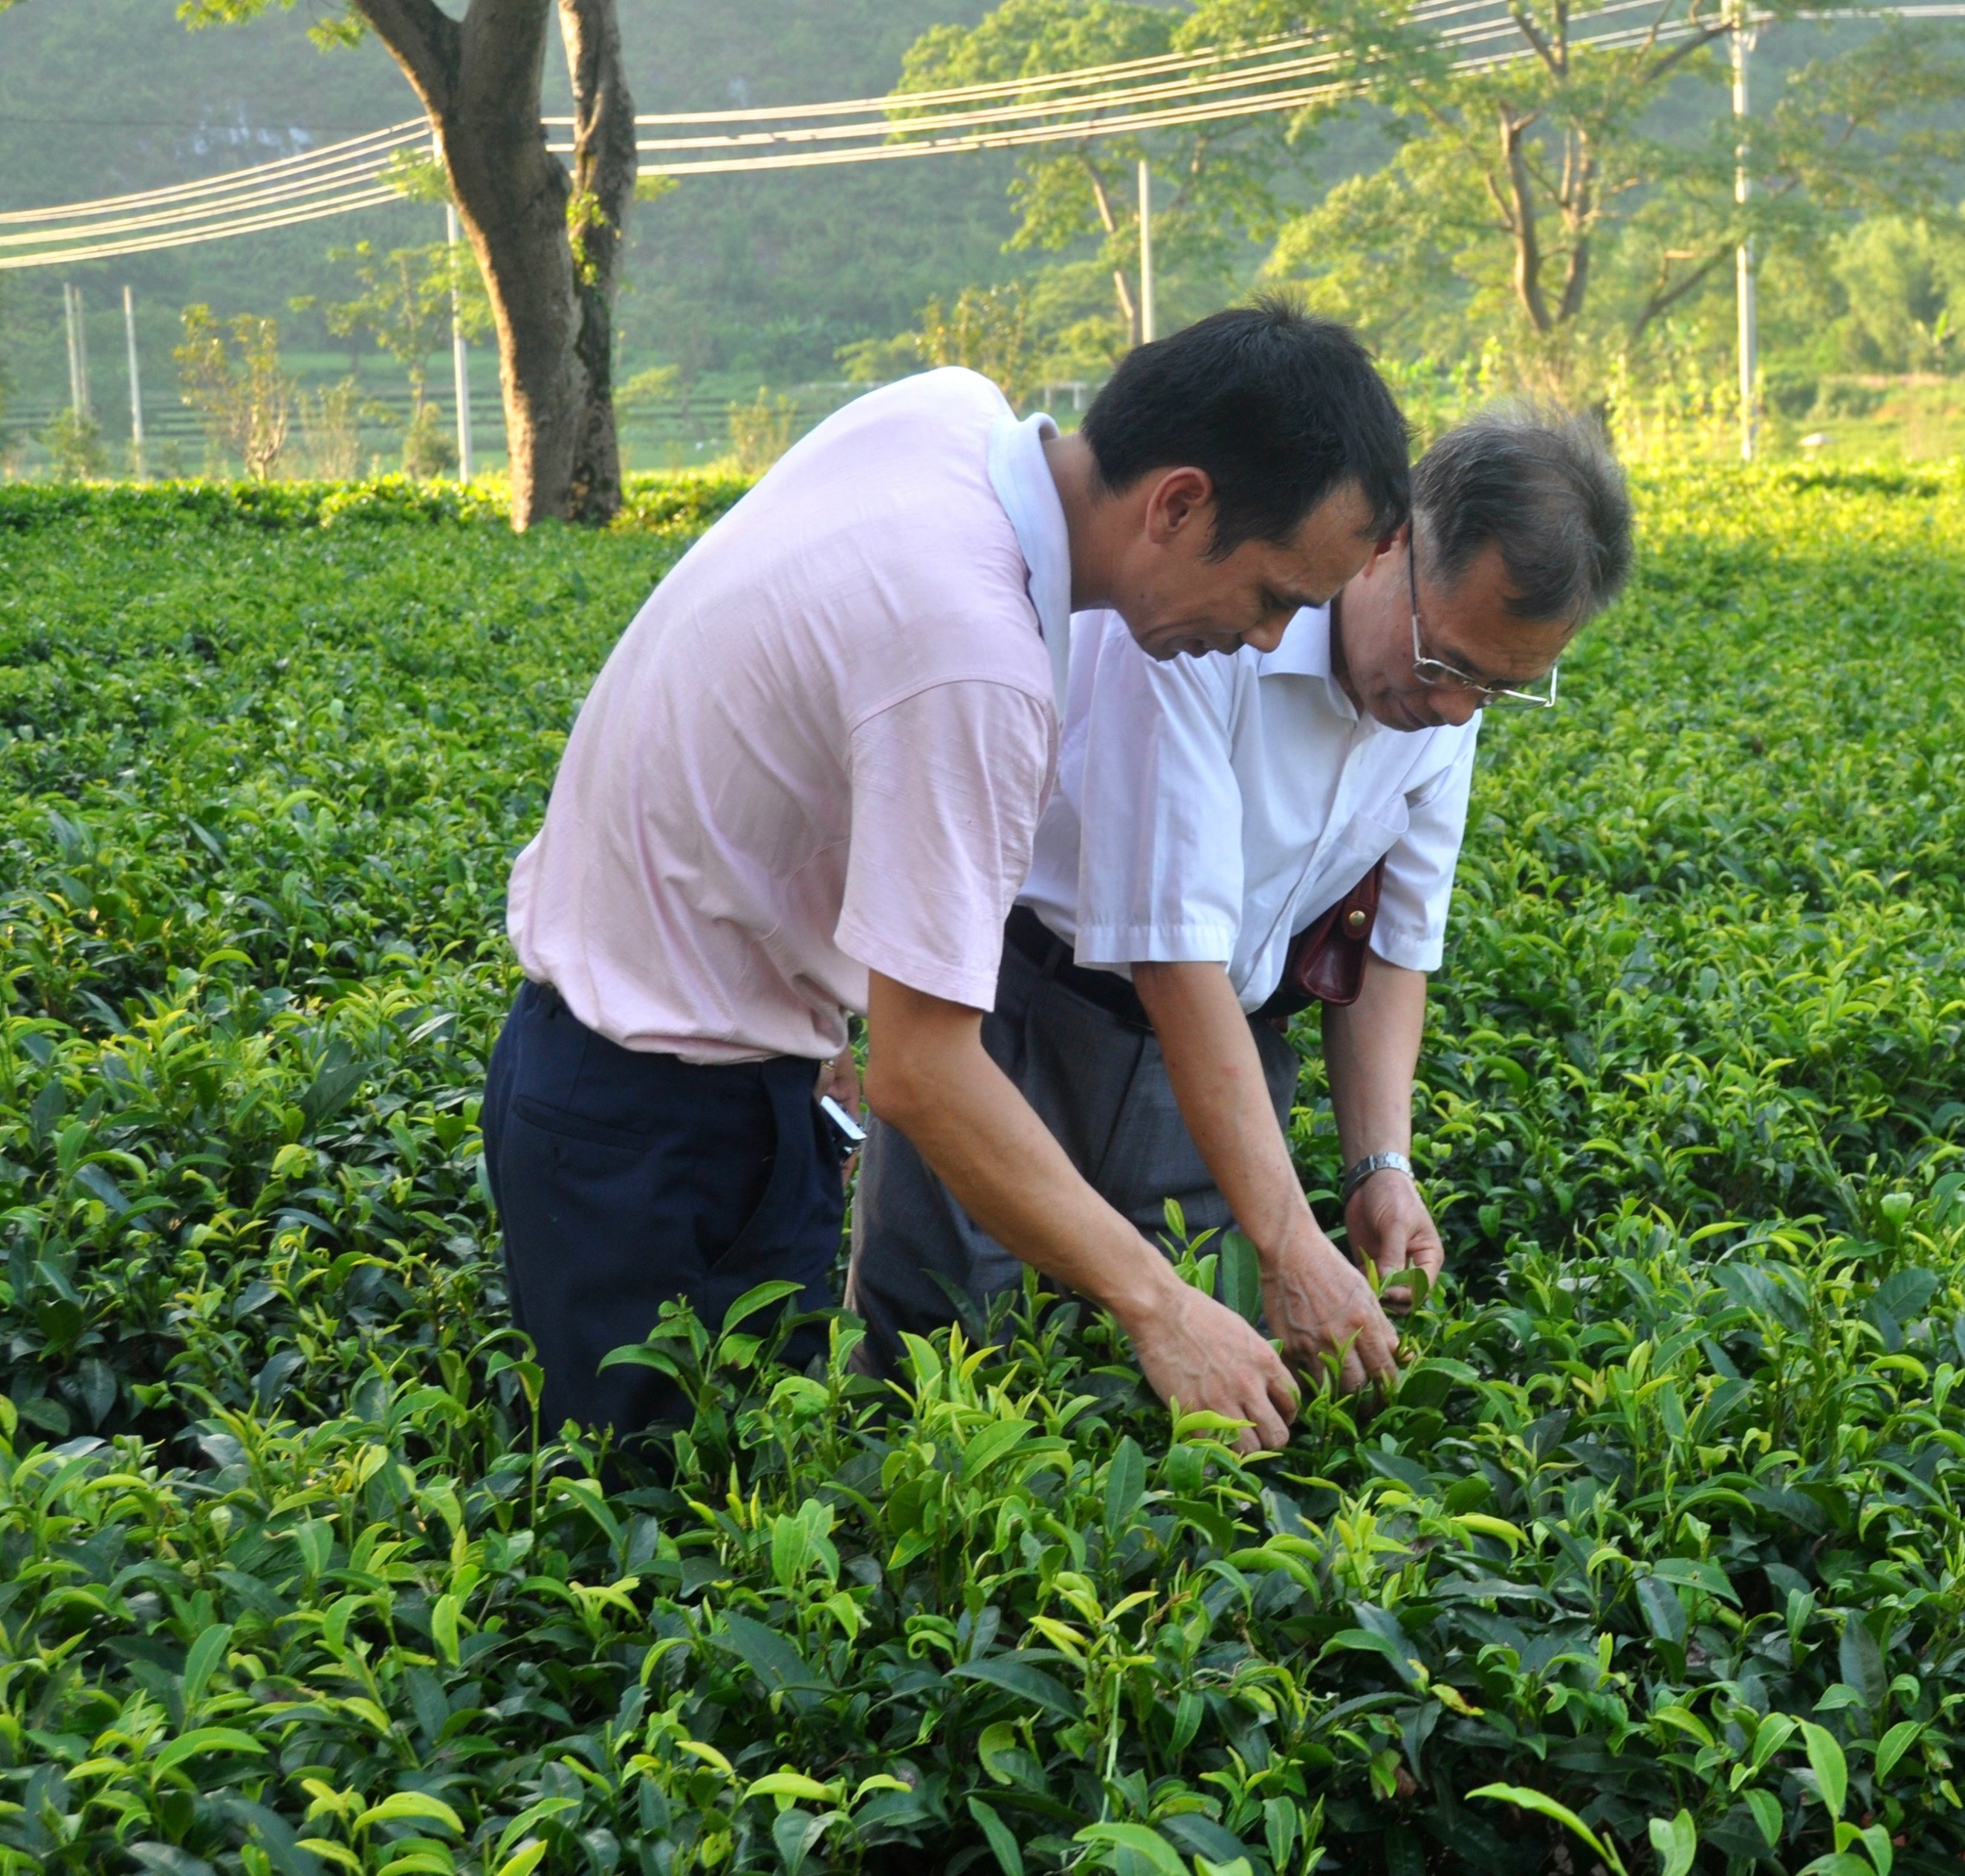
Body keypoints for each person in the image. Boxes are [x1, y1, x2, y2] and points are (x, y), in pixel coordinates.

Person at [483, 303, 1413, 1455]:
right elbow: (922, 1074)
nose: (1269, 641)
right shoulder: (977, 661)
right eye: (1273, 595)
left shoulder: (947, 414)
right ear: (1178, 504)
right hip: (660, 1131)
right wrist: (1165, 1308)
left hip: (642, 1061)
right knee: (658, 1539)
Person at [847, 406, 1634, 1411]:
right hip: (1021, 1019)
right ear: (1389, 541)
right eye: (1447, 665)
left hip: (1224, 1065)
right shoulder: (1214, 616)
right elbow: (1170, 951)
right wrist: (1288, 1236)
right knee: (946, 1370)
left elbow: (1392, 946)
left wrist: (1375, 1169)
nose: (1455, 709)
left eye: (1498, 687)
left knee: (1201, 1395)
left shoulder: (1445, 690)